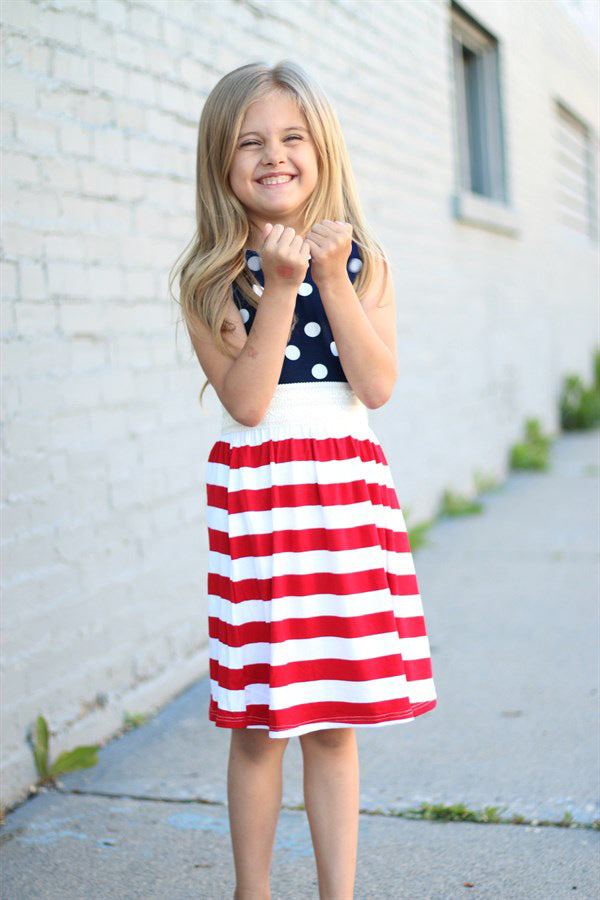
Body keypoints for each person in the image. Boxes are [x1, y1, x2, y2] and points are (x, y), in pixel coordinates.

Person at [170, 59, 437, 900]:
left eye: (292, 137)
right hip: (260, 506)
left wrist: (327, 274)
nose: (273, 155)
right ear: (222, 163)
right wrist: (281, 285)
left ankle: (338, 893)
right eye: (249, 142)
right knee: (260, 724)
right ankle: (253, 892)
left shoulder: (364, 263)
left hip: (345, 503)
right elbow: (247, 402)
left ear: (322, 151)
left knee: (332, 723)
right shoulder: (211, 276)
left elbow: (378, 385)